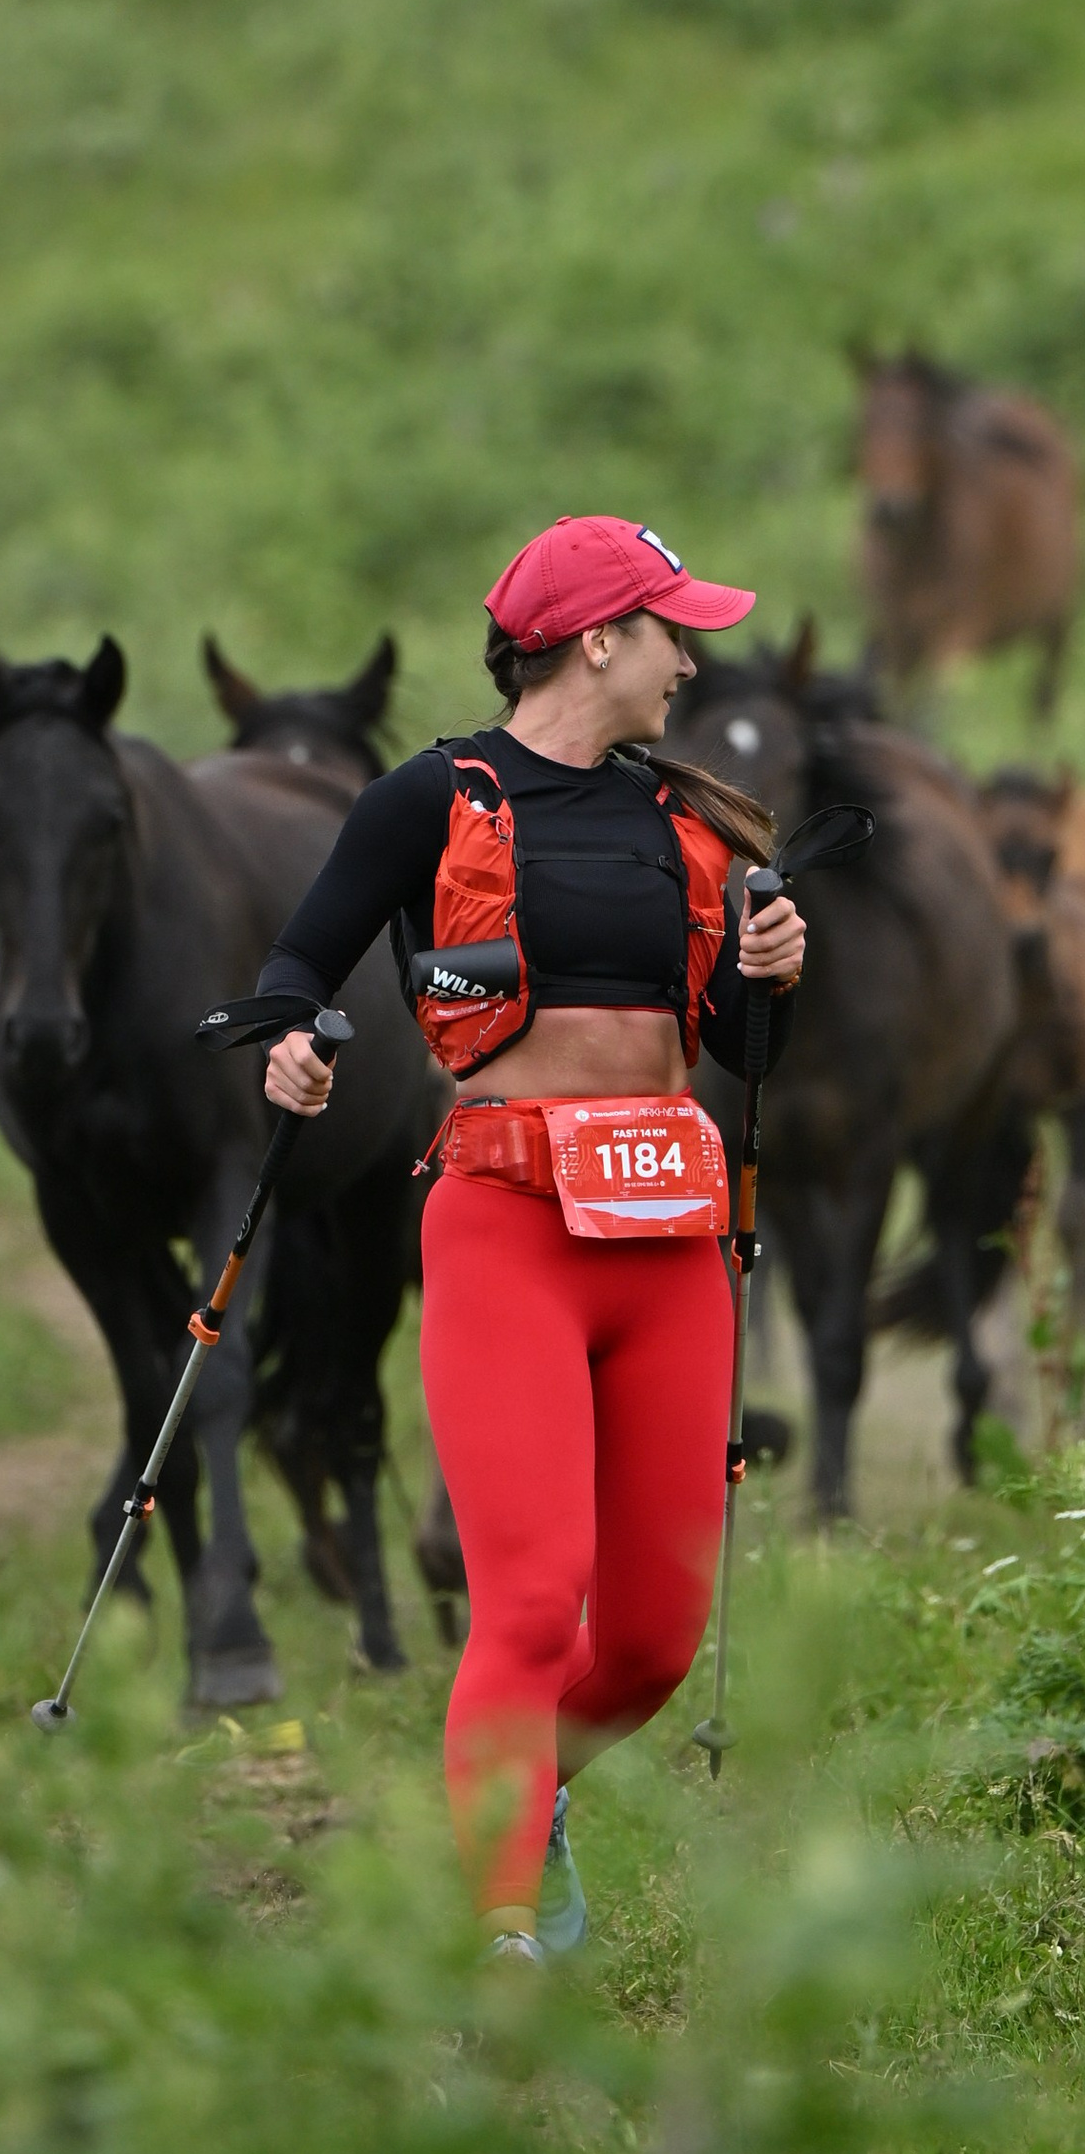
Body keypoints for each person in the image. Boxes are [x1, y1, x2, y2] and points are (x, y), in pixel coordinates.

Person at [257, 513, 804, 1959]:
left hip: (672, 1238)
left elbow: (741, 1046)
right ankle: (495, 1938)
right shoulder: (429, 798)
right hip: (508, 1224)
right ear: (596, 640)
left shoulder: (685, 822)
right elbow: (299, 971)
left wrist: (772, 976)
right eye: (674, 629)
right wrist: (294, 1046)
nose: (694, 657)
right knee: (522, 1598)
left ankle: (519, 1793)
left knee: (648, 1641)